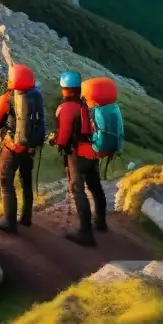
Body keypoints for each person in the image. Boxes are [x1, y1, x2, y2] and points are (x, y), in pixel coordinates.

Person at [0, 63, 45, 234]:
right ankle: (26, 218)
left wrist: (0, 137)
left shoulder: (5, 100)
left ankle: (9, 222)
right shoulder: (36, 95)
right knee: (26, 182)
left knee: (6, 184)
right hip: (30, 147)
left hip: (12, 148)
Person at [49, 70, 108, 246]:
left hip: (77, 155)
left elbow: (63, 138)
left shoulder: (66, 108)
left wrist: (54, 140)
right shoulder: (85, 105)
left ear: (66, 89)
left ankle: (85, 233)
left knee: (78, 190)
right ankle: (101, 222)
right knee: (95, 187)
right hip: (92, 151)